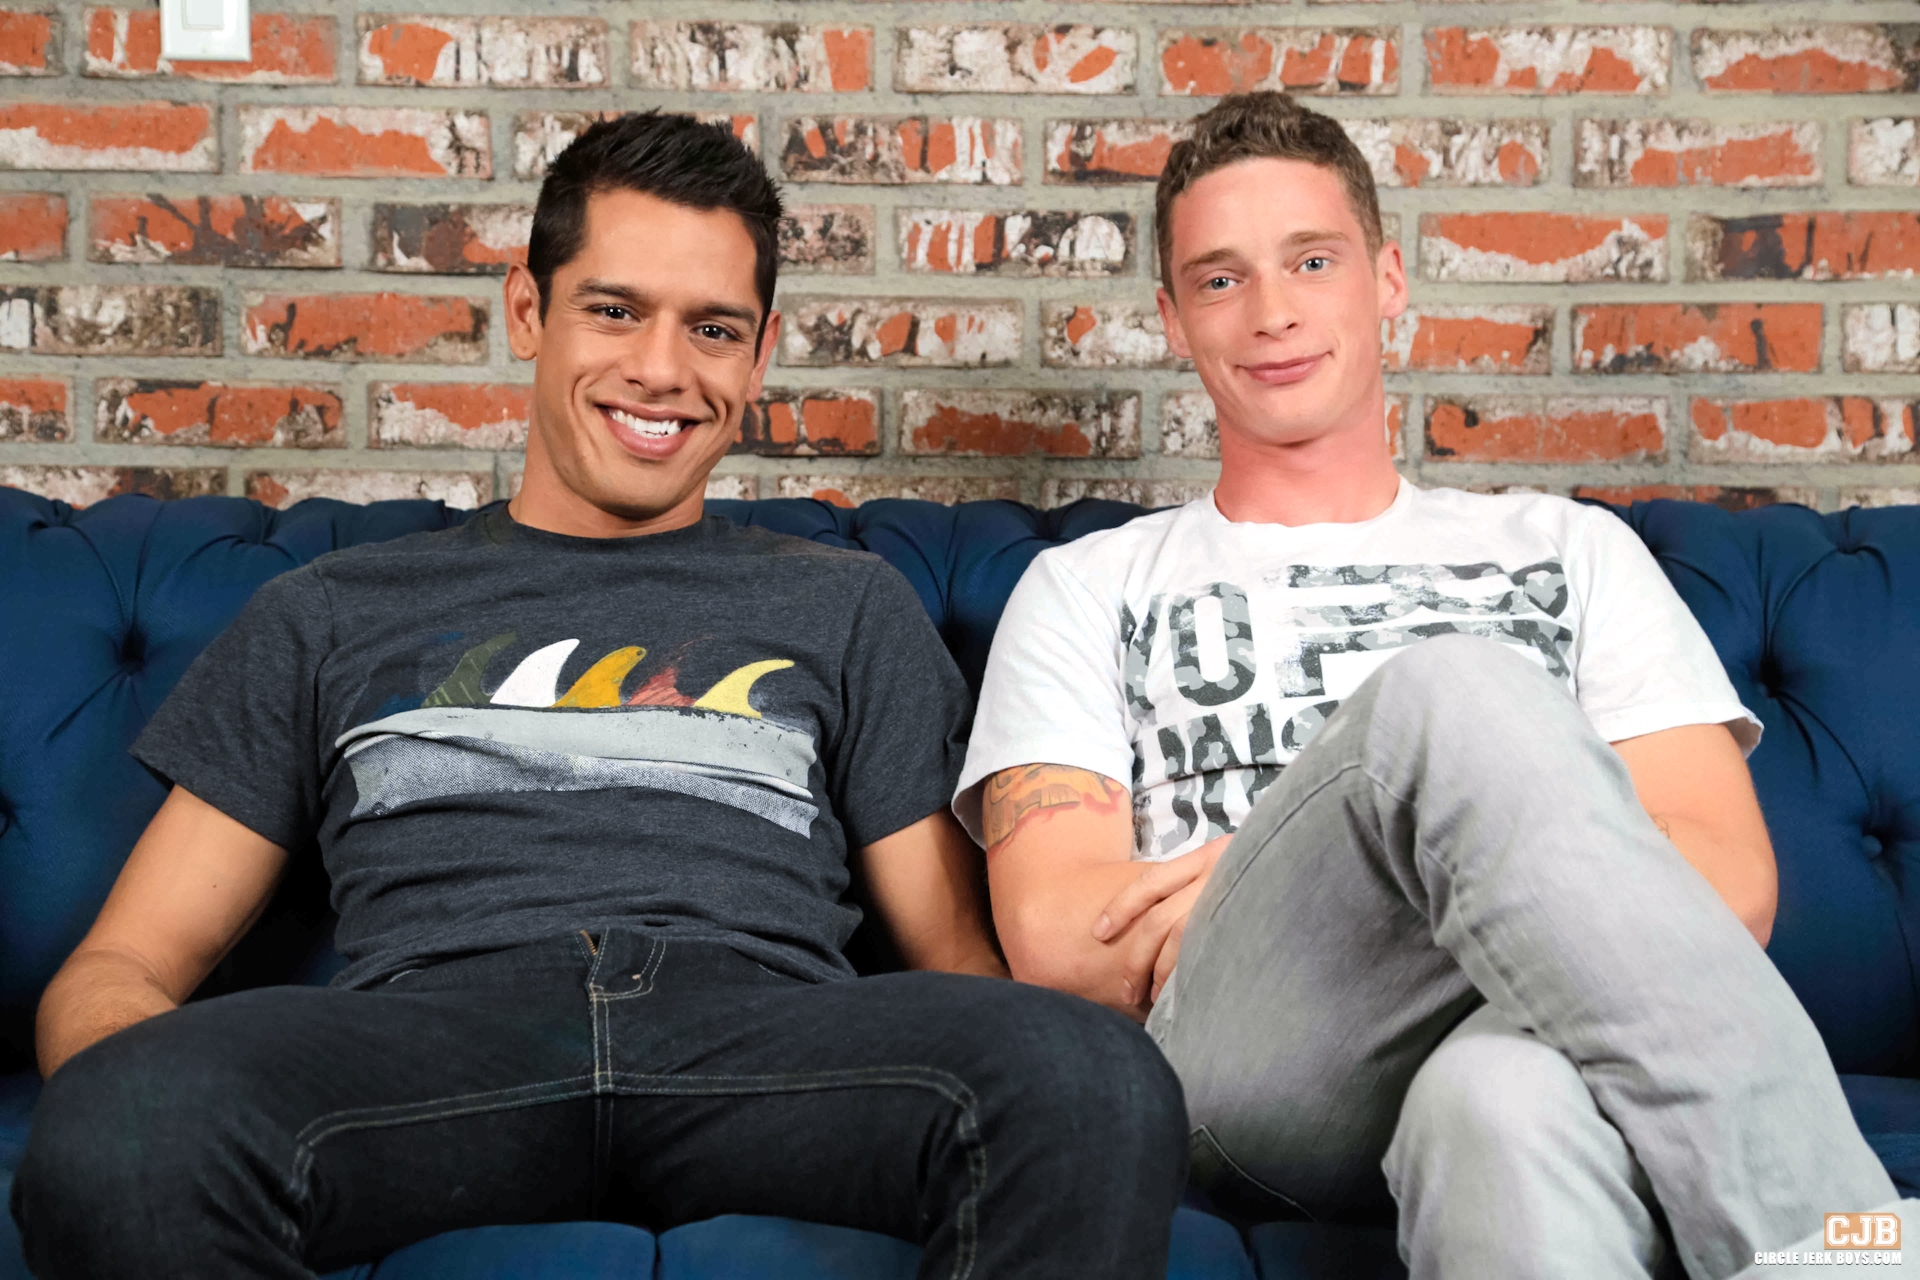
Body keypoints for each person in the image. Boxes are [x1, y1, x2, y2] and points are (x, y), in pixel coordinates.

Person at [12, 112, 1187, 1279]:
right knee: (116, 1131)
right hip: (435, 1036)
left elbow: (956, 964)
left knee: (1089, 1076)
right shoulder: (328, 608)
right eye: (615, 310)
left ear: (760, 354)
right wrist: (142, 1091)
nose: (662, 369)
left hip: (763, 1038)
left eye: (712, 328)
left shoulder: (847, 603)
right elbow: (119, 965)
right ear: (528, 309)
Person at [958, 91, 1908, 1280]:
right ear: (1172, 318)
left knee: (1501, 1105)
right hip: (1258, 1059)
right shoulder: (1087, 586)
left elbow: (1732, 885)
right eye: (1220, 278)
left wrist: (1375, 852)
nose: (1272, 311)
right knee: (1452, 694)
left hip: (1538, 1030)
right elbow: (1061, 937)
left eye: (1313, 260)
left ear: (1389, 280)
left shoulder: (1571, 549)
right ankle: (1837, 1247)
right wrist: (1303, 870)